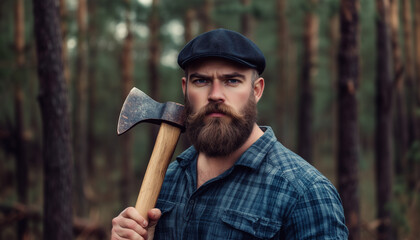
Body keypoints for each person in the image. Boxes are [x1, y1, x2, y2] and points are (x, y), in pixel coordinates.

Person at [111, 28, 349, 239]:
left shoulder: (305, 193)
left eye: (232, 81)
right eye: (202, 81)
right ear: (185, 88)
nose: (215, 94)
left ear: (256, 90)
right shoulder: (169, 178)